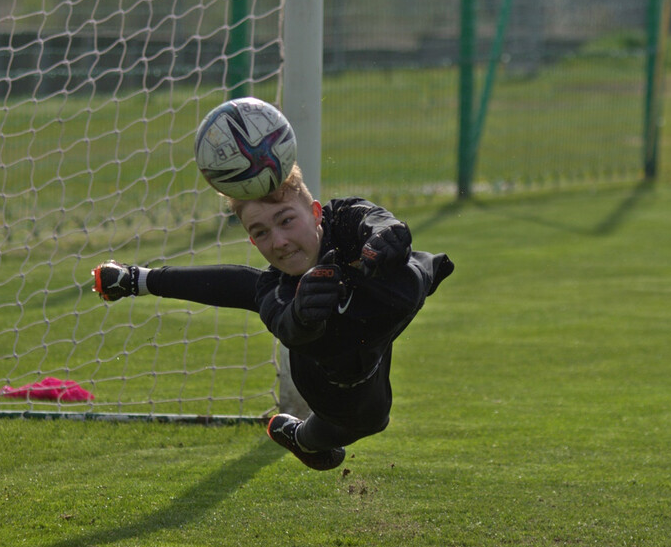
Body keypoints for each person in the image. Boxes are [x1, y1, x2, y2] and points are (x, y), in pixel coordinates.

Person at [93, 165, 453, 471]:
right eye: (261, 233)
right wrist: (304, 312)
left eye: (286, 221)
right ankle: (303, 439)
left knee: (407, 271)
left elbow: (374, 218)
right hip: (340, 375)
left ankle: (139, 279)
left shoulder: (342, 218)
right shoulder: (275, 288)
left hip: (383, 311)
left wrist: (387, 235)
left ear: (315, 214)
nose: (278, 242)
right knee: (371, 420)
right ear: (252, 241)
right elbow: (285, 324)